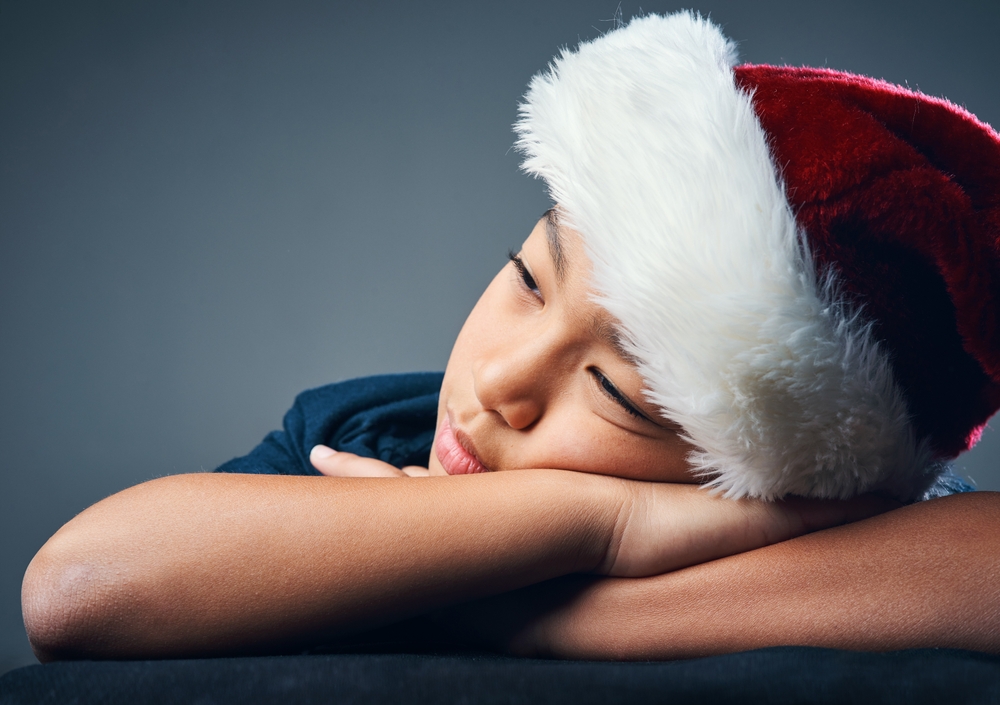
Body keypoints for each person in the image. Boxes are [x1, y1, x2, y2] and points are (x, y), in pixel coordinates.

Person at [21, 12, 1000, 662]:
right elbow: (79, 588)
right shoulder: (373, 429)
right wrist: (600, 522)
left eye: (620, 392)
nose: (498, 380)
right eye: (530, 278)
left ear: (786, 481)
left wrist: (566, 601)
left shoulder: (853, 527)